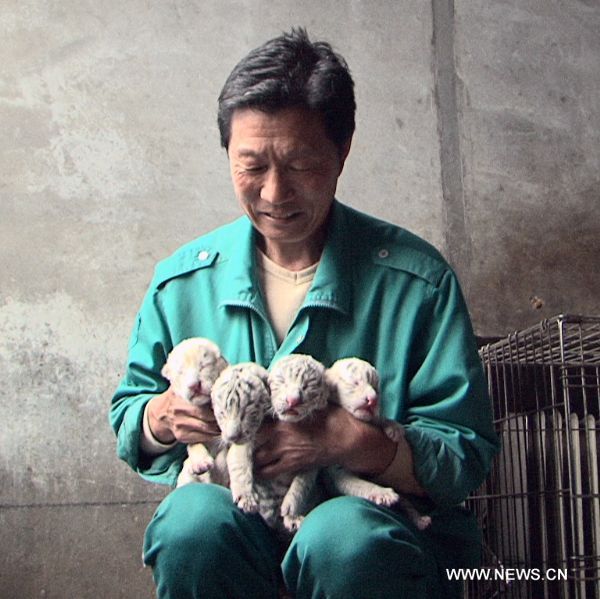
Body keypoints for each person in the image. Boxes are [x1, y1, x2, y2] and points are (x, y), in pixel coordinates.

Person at [110, 28, 500, 599]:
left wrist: (355, 445)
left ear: (342, 152)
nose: (274, 193)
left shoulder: (417, 282)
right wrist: (161, 418)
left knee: (342, 536)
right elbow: (130, 415)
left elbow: (465, 452)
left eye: (300, 165)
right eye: (251, 165)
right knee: (190, 521)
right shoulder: (182, 280)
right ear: (227, 155)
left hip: (380, 540)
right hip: (237, 522)